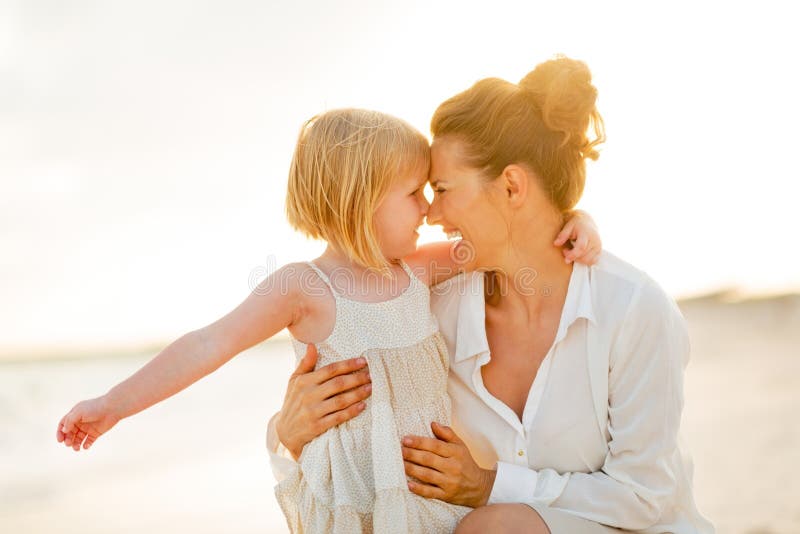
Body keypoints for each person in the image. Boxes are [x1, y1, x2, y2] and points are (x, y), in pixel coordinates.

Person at [55, 108, 600, 533]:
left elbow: (505, 241)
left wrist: (578, 220)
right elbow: (208, 343)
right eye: (413, 193)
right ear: (361, 200)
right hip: (353, 505)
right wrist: (112, 406)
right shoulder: (302, 288)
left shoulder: (419, 270)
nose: (428, 210)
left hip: (429, 498)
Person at [268, 57, 715, 533]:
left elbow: (644, 497)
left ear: (511, 186)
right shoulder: (429, 315)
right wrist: (289, 432)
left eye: (441, 189)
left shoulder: (631, 308)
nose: (431, 213)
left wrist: (488, 485)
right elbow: (364, 447)